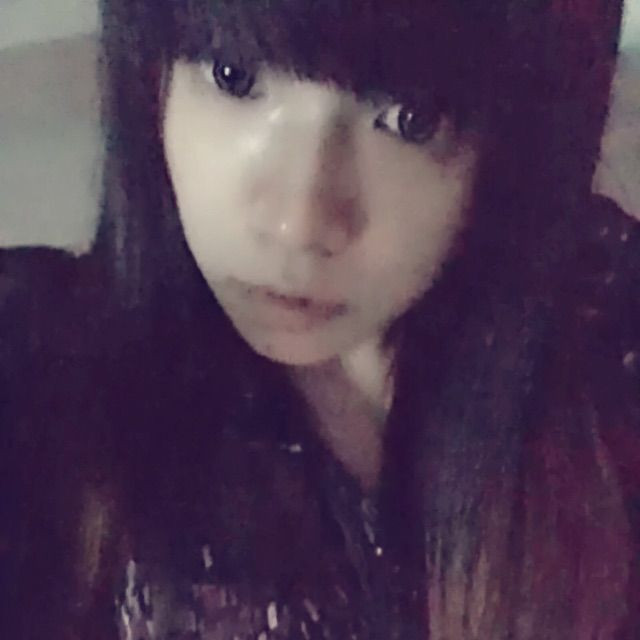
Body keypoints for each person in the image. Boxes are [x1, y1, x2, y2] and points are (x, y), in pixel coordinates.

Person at [1, 0, 639, 638]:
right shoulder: (42, 370)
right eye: (234, 74)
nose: (298, 222)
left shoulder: (609, 334)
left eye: (410, 118)